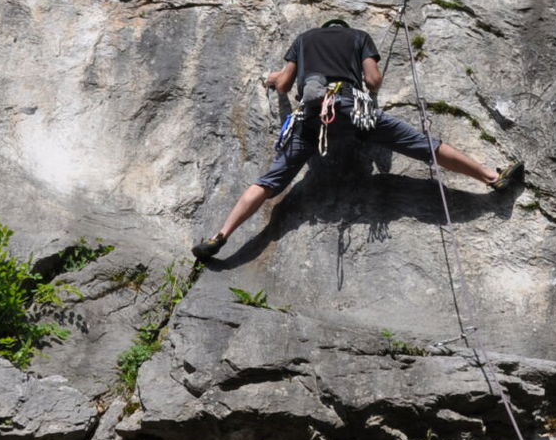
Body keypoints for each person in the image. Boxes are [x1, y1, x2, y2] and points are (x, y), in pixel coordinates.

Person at [193, 18, 524, 260]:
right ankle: (492, 177)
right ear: (344, 28)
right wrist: (371, 83)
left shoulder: (304, 38)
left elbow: (283, 84)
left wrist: (270, 79)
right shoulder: (359, 37)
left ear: (324, 27)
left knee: (268, 183)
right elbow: (373, 79)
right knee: (423, 145)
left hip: (311, 118)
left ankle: (220, 236)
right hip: (353, 110)